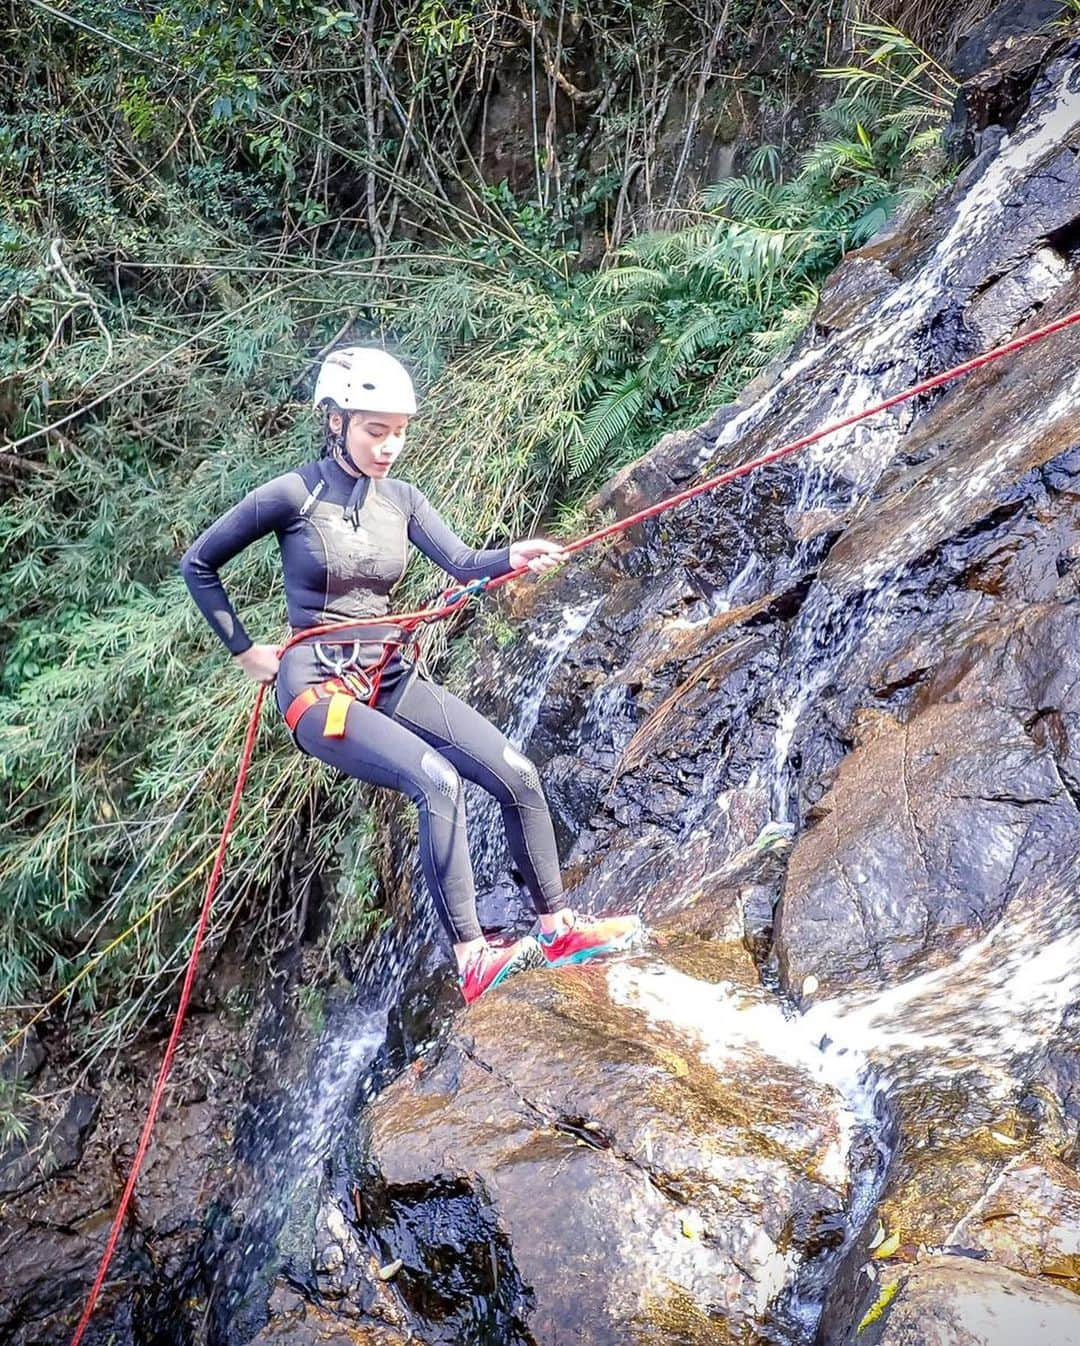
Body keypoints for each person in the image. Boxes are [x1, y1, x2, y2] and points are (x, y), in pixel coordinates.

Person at [180, 345, 642, 1003]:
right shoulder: (292, 495)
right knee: (439, 782)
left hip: (388, 676)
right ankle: (473, 958)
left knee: (517, 773)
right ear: (335, 420)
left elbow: (461, 561)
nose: (390, 445)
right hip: (318, 691)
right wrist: (247, 651)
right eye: (376, 429)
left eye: (399, 431)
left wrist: (515, 553)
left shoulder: (402, 498)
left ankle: (558, 929)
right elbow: (199, 564)